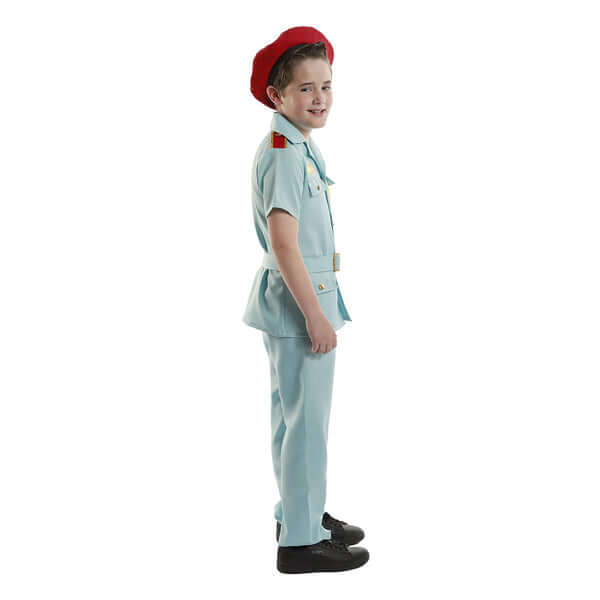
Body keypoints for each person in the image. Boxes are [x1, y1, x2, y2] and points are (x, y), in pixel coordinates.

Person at [242, 26, 370, 574]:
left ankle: (301, 514)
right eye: (306, 89)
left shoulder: (294, 142)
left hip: (292, 301)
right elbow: (284, 243)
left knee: (291, 420)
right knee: (306, 426)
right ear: (277, 95)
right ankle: (300, 543)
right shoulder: (285, 154)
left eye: (326, 86)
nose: (320, 98)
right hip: (300, 307)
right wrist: (316, 317)